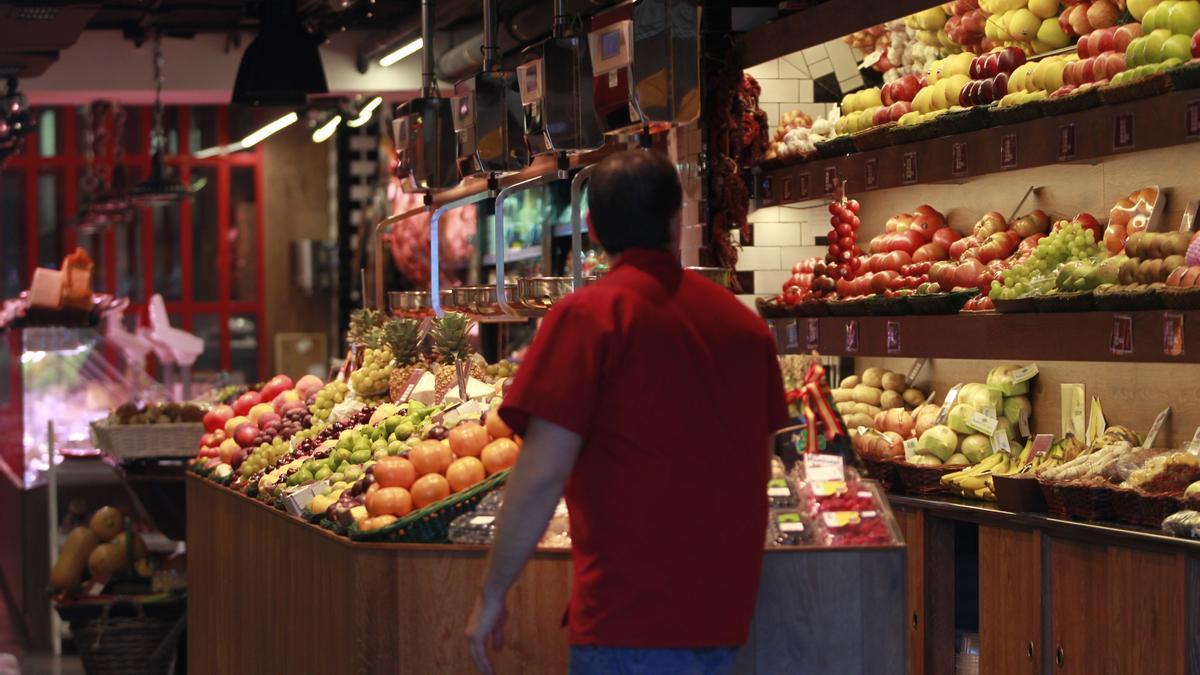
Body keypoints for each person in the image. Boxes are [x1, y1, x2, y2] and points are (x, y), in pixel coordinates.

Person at [465, 150, 789, 675]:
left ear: (592, 229)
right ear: (676, 220)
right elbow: (761, 464)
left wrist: (491, 593)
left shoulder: (588, 317)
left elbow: (541, 475)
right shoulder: (747, 329)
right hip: (725, 620)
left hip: (626, 619)